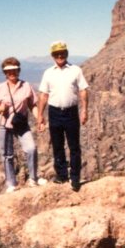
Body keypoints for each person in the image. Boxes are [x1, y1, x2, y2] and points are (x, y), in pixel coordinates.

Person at [37, 41, 89, 191]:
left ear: (66, 53)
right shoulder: (48, 73)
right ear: (52, 56)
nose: (60, 56)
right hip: (54, 113)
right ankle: (61, 175)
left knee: (74, 146)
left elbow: (83, 90)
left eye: (62, 53)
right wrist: (40, 115)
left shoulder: (76, 70)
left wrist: (84, 110)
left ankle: (75, 178)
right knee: (57, 145)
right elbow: (43, 95)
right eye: (56, 54)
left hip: (71, 112)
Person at [0, 57, 47, 193]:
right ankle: (11, 183)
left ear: (19, 70)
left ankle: (33, 178)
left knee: (31, 148)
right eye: (8, 71)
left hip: (20, 123)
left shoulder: (26, 86)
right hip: (4, 123)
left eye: (14, 70)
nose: (12, 73)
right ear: (5, 73)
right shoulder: (0, 88)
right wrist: (0, 108)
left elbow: (33, 105)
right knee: (7, 154)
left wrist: (39, 119)